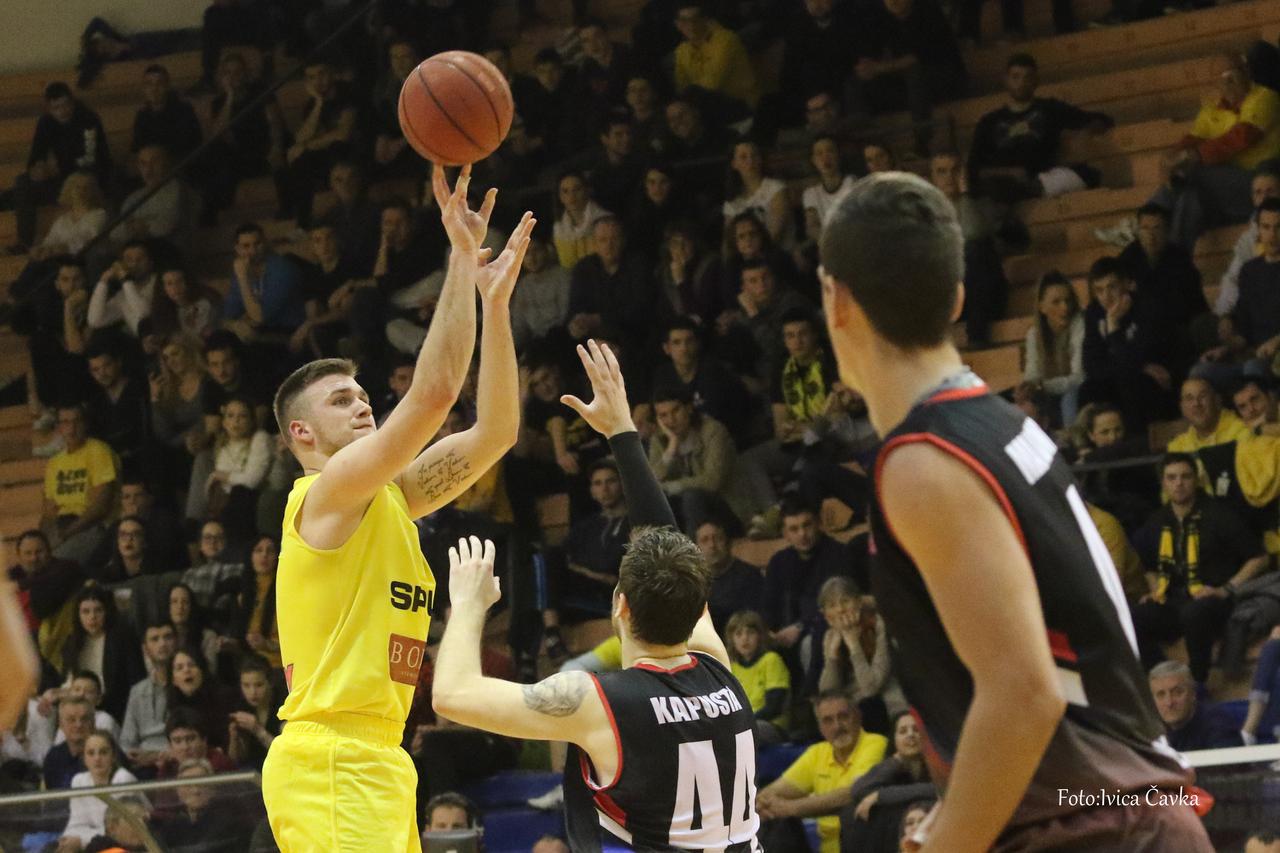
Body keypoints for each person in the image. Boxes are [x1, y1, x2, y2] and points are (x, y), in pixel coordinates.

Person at [817, 172, 1209, 849]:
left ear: (837, 300)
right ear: (958, 297)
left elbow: (1023, 695)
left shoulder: (923, 462)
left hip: (1093, 827)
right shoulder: (1000, 424)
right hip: (1119, 810)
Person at [260, 165, 532, 852]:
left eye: (362, 395)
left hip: (382, 754)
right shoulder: (323, 496)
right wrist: (461, 258)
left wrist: (496, 308)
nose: (363, 405)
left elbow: (496, 432)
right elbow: (436, 392)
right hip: (330, 758)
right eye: (341, 400)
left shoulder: (392, 497)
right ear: (302, 433)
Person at [432, 340, 761, 851]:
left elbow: (452, 695)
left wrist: (469, 606)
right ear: (697, 604)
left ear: (620, 607)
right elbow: (668, 548)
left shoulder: (601, 702)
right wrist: (623, 433)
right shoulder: (718, 670)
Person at [1132, 453, 1268, 683]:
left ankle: (1198, 682)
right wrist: (1155, 591)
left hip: (1214, 599)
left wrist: (1226, 589)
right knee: (1135, 616)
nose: (1179, 483)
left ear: (1196, 480)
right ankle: (1163, 679)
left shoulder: (1219, 515)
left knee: (1194, 613)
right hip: (1174, 599)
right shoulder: (1157, 520)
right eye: (1171, 477)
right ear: (1163, 483)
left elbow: (1259, 558)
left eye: (1185, 476)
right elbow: (1149, 565)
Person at [755, 689, 888, 853]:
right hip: (826, 849)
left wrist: (790, 808)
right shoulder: (818, 752)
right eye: (828, 720)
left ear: (858, 717)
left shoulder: (875, 743)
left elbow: (853, 793)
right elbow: (771, 793)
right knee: (772, 821)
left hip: (864, 845)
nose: (837, 726)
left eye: (843, 717)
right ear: (820, 727)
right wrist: (764, 803)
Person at [968, 53, 1112, 202]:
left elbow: (1099, 119)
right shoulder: (989, 122)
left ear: (1036, 80)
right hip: (1003, 183)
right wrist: (1009, 172)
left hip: (1046, 179)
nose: (1022, 83)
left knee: (1084, 175)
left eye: (1027, 77)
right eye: (1015, 77)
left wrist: (1087, 132)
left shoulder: (1050, 109)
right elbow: (974, 169)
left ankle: (1028, 190)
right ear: (1006, 80)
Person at [840, 710, 935, 853]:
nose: (910, 735)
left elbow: (939, 789)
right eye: (903, 731)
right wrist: (896, 760)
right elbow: (858, 790)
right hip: (893, 835)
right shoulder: (890, 768)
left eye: (916, 729)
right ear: (894, 739)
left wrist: (881, 795)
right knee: (854, 811)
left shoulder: (939, 766)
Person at [58, 730, 139, 852]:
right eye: (91, 753)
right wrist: (68, 841)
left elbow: (118, 831)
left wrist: (82, 841)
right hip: (97, 843)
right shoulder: (78, 781)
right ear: (84, 758)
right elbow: (75, 826)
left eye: (103, 752)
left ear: (113, 756)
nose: (97, 758)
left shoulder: (123, 779)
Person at [725, 609, 789, 744]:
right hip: (739, 725)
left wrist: (743, 723)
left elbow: (774, 707)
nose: (744, 638)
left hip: (770, 725)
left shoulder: (771, 660)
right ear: (732, 639)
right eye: (738, 634)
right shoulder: (731, 667)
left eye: (750, 633)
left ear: (760, 636)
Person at [1148, 661, 1243, 751]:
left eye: (1177, 692)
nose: (1169, 702)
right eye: (1161, 695)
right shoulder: (1150, 728)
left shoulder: (1219, 724)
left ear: (1193, 693)